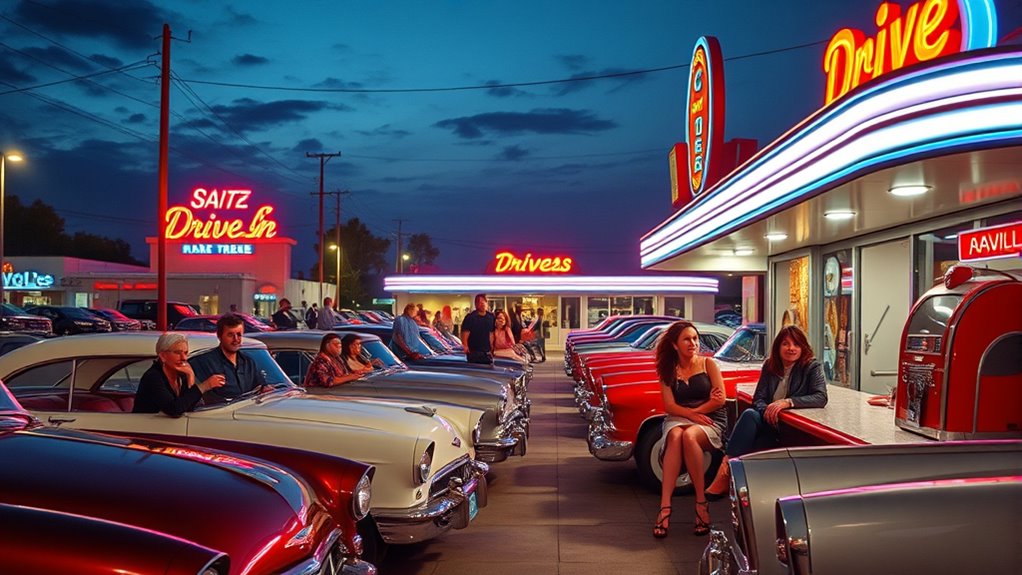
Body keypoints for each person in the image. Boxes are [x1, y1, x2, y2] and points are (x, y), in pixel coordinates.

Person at [705, 325, 828, 498]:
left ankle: (727, 472)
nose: (791, 348)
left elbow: (820, 397)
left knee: (754, 435)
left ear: (803, 348)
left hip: (791, 427)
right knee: (751, 421)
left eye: (796, 344)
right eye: (785, 344)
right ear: (778, 346)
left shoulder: (811, 366)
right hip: (770, 422)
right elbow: (759, 400)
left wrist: (787, 403)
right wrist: (769, 412)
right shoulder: (770, 365)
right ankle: (728, 472)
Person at [653, 320, 726, 539]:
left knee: (689, 435)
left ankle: (700, 503)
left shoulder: (708, 364)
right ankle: (665, 505)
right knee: (676, 434)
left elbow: (719, 399)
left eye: (695, 338)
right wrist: (691, 414)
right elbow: (669, 406)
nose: (693, 343)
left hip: (710, 420)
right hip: (677, 418)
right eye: (686, 339)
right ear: (675, 345)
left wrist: (697, 412)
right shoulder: (667, 369)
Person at [133, 332, 226, 416]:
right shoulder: (153, 377)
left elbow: (189, 407)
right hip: (146, 429)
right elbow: (174, 409)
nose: (184, 358)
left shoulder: (181, 375)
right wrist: (205, 386)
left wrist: (191, 377)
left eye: (186, 353)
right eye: (178, 353)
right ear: (163, 356)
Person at [189, 314, 268, 401]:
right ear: (219, 336)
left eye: (239, 335)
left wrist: (266, 390)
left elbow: (262, 387)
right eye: (230, 335)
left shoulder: (248, 362)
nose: (236, 339)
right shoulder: (204, 362)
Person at [461, 293, 495, 364]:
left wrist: (492, 347)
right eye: (479, 302)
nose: (482, 304)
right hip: (474, 351)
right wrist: (465, 346)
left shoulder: (491, 317)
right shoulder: (470, 317)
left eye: (484, 302)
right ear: (476, 304)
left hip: (487, 351)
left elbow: (491, 333)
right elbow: (465, 333)